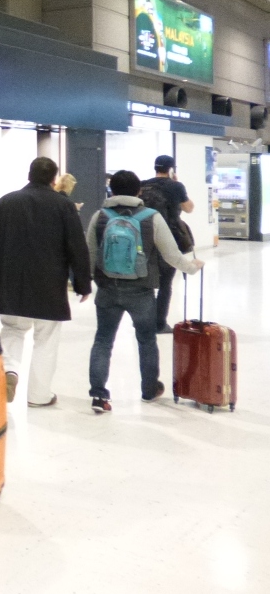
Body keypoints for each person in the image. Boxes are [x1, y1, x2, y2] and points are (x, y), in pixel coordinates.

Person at [86, 170, 203, 414]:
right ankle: (149, 389)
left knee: (103, 340)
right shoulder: (152, 217)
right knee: (147, 340)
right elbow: (171, 255)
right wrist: (192, 267)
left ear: (112, 190)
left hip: (107, 289)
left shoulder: (99, 217)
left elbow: (90, 255)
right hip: (141, 290)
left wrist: (89, 283)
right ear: (138, 191)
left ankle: (98, 395)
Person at [0, 157, 92, 408]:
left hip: (13, 283)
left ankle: (9, 372)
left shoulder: (6, 202)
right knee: (46, 339)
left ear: (29, 175)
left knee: (12, 330)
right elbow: (77, 246)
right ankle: (39, 396)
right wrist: (83, 283)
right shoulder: (63, 206)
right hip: (49, 285)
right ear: (54, 179)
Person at [139, 154, 195, 333]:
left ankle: (143, 321)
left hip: (145, 237)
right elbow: (189, 208)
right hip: (169, 237)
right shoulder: (176, 186)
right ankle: (159, 323)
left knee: (146, 281)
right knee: (165, 283)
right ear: (171, 169)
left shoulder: (143, 185)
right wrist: (176, 183)